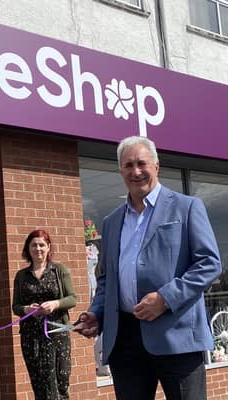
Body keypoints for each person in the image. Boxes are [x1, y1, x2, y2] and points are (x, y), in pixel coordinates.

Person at [76, 136, 222, 400]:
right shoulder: (111, 222)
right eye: (128, 165)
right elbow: (107, 278)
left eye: (141, 163)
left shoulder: (187, 207)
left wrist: (165, 298)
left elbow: (209, 263)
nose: (136, 171)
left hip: (176, 335)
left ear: (156, 166)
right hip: (125, 340)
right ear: (120, 170)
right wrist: (97, 313)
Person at [12, 229, 77, 400]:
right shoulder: (21, 276)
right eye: (34, 245)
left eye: (42, 245)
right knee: (40, 384)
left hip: (57, 334)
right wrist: (26, 309)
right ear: (28, 248)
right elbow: (16, 306)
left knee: (60, 383)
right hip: (31, 337)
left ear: (48, 247)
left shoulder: (59, 270)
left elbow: (72, 298)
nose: (38, 248)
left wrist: (55, 304)